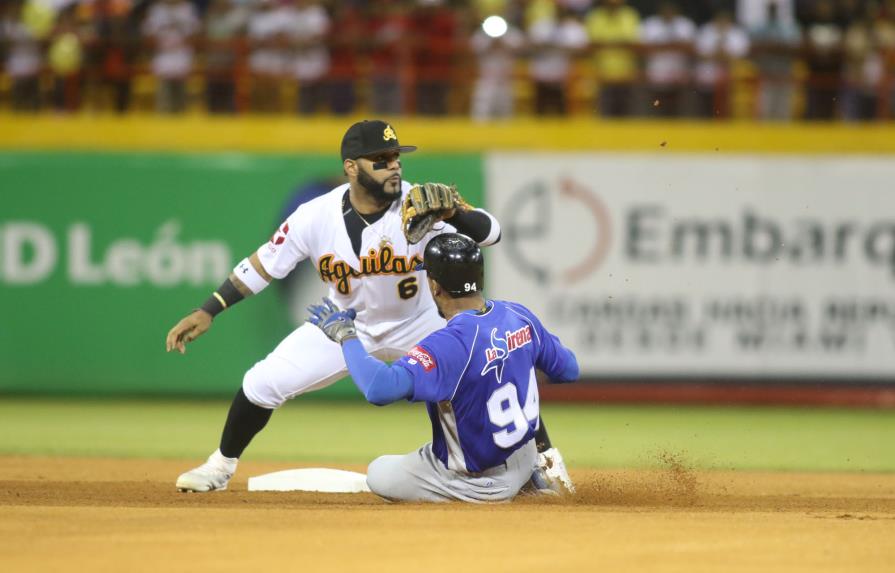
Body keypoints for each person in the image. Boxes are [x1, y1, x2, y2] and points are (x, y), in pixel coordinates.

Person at [165, 119, 574, 495]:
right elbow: (262, 265)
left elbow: (493, 234)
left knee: (497, 367)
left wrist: (457, 212)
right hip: (343, 325)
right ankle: (220, 465)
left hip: (421, 323)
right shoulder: (314, 216)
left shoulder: (419, 204)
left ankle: (546, 467)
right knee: (260, 384)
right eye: (380, 160)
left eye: (395, 157)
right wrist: (209, 309)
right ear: (351, 167)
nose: (393, 166)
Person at [307, 233, 580, 502]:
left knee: (378, 472)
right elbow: (569, 370)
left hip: (481, 484)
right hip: (525, 453)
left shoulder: (450, 344)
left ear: (435, 286)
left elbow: (379, 388)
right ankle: (537, 476)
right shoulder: (519, 315)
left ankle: (487, 491)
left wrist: (346, 335)